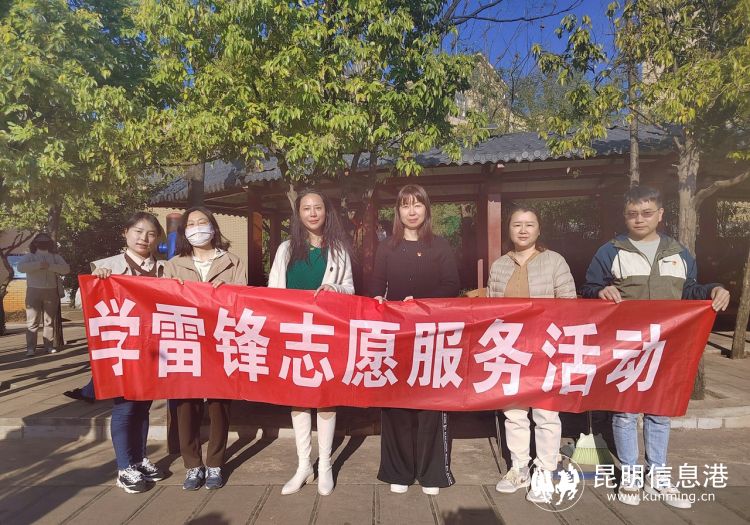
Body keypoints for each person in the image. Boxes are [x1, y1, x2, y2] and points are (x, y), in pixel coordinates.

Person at [582, 185, 730, 509]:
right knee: (625, 411)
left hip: (668, 346)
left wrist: (715, 289)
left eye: (647, 213)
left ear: (660, 214)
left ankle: (658, 475)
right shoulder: (610, 251)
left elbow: (690, 291)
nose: (639, 219)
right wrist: (600, 292)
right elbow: (589, 287)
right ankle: (631, 476)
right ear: (625, 216)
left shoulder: (679, 253)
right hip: (625, 346)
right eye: (632, 214)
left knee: (660, 411)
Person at [370, 184, 460, 496]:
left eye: (417, 204)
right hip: (396, 336)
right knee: (396, 402)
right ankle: (399, 470)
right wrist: (379, 301)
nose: (412, 211)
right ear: (398, 211)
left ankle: (432, 472)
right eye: (405, 205)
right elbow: (376, 286)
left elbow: (452, 285)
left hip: (432, 335)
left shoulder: (440, 245)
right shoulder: (387, 247)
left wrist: (422, 302)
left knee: (430, 403)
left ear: (426, 209)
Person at [486, 204, 576, 502]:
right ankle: (519, 467)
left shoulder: (554, 261)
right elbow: (491, 309)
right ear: (509, 229)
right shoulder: (500, 265)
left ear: (539, 229)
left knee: (546, 413)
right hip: (511, 349)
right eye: (517, 225)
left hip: (546, 350)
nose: (523, 230)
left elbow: (569, 305)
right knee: (514, 413)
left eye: (529, 224)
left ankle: (546, 471)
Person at [268, 189, 354, 496]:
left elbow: (350, 289)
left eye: (318, 207)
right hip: (294, 332)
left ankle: (326, 465)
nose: (313, 213)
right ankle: (304, 465)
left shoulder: (339, 249)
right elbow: (273, 291)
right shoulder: (286, 249)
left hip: (327, 333)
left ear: (326, 212)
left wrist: (335, 289)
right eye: (307, 208)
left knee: (326, 396)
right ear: (299, 214)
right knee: (299, 397)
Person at [165, 206, 247, 491]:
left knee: (219, 404)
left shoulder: (232, 261)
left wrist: (230, 291)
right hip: (186, 341)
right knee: (186, 404)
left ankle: (215, 463)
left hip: (220, 341)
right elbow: (161, 303)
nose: (197, 228)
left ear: (213, 227)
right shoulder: (173, 265)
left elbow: (243, 301)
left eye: (203, 222)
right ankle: (192, 464)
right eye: (191, 224)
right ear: (184, 231)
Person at [84, 211, 167, 493]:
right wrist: (98, 281)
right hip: (123, 348)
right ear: (126, 233)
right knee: (124, 407)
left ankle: (139, 458)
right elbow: (88, 302)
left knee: (143, 405)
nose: (144, 238)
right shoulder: (106, 267)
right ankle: (124, 468)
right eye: (138, 232)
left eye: (151, 234)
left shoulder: (164, 269)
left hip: (153, 348)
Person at [17, 233, 69, 356]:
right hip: (33, 290)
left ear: (50, 243)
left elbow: (66, 269)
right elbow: (20, 268)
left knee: (49, 320)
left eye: (45, 241)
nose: (42, 243)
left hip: (51, 290)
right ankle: (31, 348)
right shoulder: (30, 256)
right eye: (40, 241)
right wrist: (38, 265)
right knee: (32, 321)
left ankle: (49, 346)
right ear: (35, 243)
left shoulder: (55, 257)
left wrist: (50, 266)